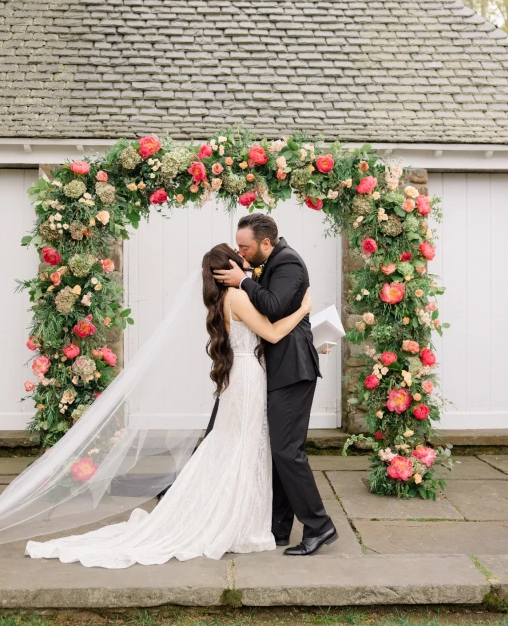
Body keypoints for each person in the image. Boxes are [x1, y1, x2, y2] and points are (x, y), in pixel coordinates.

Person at [23, 244, 315, 568]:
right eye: (237, 255)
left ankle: (242, 516)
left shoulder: (223, 300)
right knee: (245, 446)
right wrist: (304, 309)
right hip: (248, 379)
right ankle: (237, 521)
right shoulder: (239, 297)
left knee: (238, 445)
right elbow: (272, 334)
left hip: (243, 377)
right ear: (227, 268)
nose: (243, 259)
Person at [213, 214, 338, 557]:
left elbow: (272, 306)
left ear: (266, 243)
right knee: (276, 449)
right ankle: (278, 528)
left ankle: (319, 525)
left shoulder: (289, 263)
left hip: (292, 370)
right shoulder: (266, 262)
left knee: (287, 450)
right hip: (274, 368)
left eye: (244, 246)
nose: (240, 251)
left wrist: (242, 281)